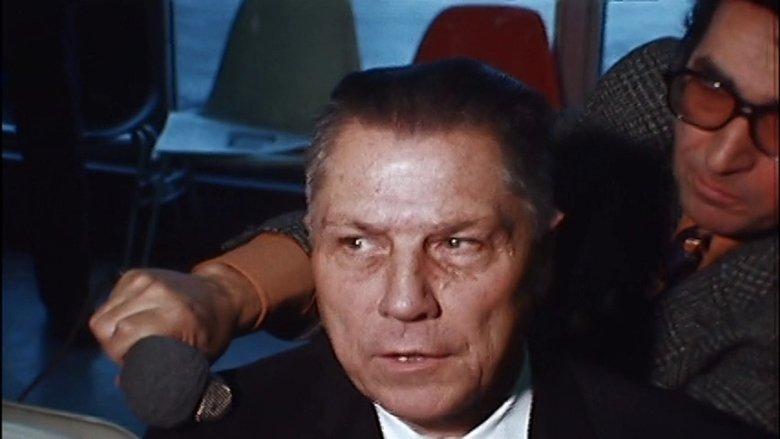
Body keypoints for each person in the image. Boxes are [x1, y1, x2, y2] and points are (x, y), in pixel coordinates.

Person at [91, 0, 778, 433]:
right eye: (713, 89)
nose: (721, 155)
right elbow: (444, 193)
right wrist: (225, 291)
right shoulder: (656, 90)